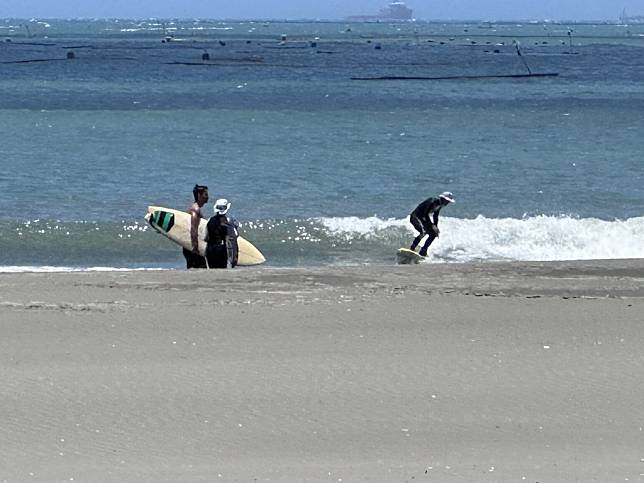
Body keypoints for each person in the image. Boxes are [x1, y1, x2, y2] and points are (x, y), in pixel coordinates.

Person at [409, 191, 455, 257]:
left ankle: (423, 250)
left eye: (449, 201)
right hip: (415, 217)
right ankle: (412, 248)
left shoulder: (440, 205)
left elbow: (435, 216)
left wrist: (435, 227)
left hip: (423, 219)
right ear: (443, 198)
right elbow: (425, 214)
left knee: (433, 234)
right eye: (447, 201)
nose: (448, 203)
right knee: (423, 232)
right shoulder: (432, 201)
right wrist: (432, 225)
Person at [205, 198, 239, 269]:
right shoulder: (228, 222)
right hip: (221, 249)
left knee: (213, 270)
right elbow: (233, 237)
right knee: (221, 269)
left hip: (210, 249)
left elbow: (206, 237)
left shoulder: (210, 220)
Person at [182, 184, 209, 269]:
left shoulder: (194, 208)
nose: (207, 197)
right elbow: (193, 229)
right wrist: (195, 247)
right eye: (206, 194)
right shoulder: (195, 210)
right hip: (192, 247)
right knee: (201, 267)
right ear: (199, 195)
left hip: (190, 246)